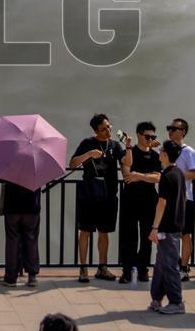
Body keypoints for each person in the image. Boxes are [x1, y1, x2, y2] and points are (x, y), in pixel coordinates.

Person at [69, 114, 132, 283]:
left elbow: (127, 162)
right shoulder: (87, 143)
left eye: (109, 127)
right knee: (85, 232)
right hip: (89, 195)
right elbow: (73, 163)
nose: (108, 131)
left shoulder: (115, 145)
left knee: (104, 232)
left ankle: (102, 267)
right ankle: (83, 269)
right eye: (104, 129)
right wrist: (88, 154)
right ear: (96, 130)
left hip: (108, 195)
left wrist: (129, 147)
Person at [148, 140, 187, 315]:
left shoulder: (166, 176)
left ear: (164, 154)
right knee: (161, 263)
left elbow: (161, 203)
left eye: (161, 151)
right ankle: (156, 298)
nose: (159, 154)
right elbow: (184, 197)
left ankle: (176, 301)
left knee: (169, 265)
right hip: (176, 224)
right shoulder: (179, 173)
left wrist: (154, 227)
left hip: (167, 227)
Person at [119, 121, 161, 283]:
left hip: (149, 201)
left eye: (153, 137)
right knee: (129, 237)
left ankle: (143, 270)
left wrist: (140, 176)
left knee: (146, 237)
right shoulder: (129, 152)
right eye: (147, 136)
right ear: (139, 135)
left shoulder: (156, 156)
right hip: (130, 200)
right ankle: (127, 271)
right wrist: (141, 176)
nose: (150, 139)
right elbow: (126, 174)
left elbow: (157, 177)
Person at [166, 119, 195, 282]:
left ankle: (184, 267)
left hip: (186, 198)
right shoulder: (164, 150)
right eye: (169, 128)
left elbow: (194, 173)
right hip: (168, 199)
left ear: (183, 132)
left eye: (174, 128)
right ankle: (172, 264)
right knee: (169, 234)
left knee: (185, 235)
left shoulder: (189, 152)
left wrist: (176, 174)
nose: (170, 131)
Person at [0, 180, 41, 288]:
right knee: (31, 241)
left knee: (12, 241)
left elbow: (1, 178)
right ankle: (32, 277)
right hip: (31, 206)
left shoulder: (10, 164)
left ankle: (11, 278)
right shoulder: (36, 166)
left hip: (12, 206)